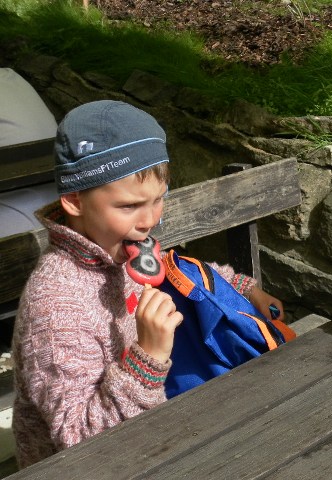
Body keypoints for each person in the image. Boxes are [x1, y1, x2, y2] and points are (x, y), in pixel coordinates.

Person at [11, 100, 284, 468]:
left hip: (159, 428)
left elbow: (174, 268)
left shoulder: (118, 244)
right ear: (75, 201)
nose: (149, 220)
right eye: (129, 206)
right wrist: (148, 358)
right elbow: (80, 443)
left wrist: (243, 287)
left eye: (159, 199)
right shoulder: (56, 308)